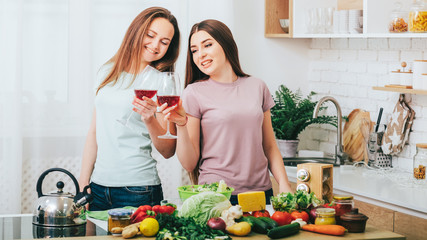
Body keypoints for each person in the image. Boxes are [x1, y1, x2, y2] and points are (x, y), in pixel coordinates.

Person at [164, 19, 292, 205]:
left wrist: (284, 184)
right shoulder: (194, 93)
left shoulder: (257, 86)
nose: (200, 54)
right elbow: (189, 163)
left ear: (226, 44)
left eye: (207, 45)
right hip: (216, 196)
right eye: (194, 50)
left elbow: (270, 147)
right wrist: (181, 125)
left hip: (261, 194)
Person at [78, 7, 180, 211]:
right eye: (150, 35)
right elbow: (94, 132)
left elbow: (168, 151)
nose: (155, 45)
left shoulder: (162, 82)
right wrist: (83, 181)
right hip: (98, 188)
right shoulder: (107, 72)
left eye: (164, 42)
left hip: (138, 189)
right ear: (136, 31)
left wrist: (150, 119)